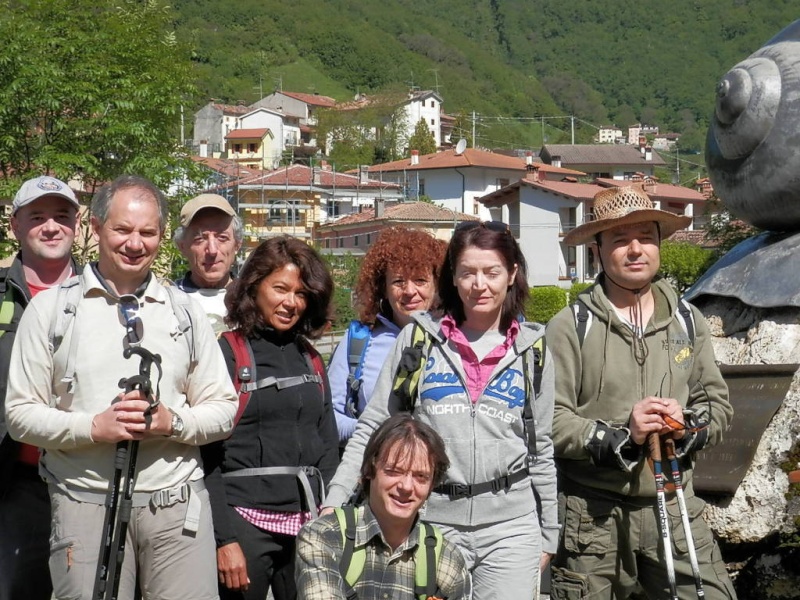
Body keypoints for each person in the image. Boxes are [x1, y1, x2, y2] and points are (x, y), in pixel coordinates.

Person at [5, 175, 238, 600]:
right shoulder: (52, 310)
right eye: (123, 230)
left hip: (176, 507)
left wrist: (173, 421)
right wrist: (94, 427)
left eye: (148, 233)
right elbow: (20, 415)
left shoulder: (184, 313)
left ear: (162, 237)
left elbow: (223, 408)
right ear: (95, 229)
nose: (135, 243)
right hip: (84, 504)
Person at [325, 220, 559, 599]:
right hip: (431, 522)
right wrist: (335, 500)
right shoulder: (418, 339)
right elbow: (372, 427)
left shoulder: (534, 350)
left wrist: (549, 531)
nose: (479, 284)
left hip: (512, 529)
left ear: (512, 273)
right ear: (452, 276)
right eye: (467, 272)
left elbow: (541, 446)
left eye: (491, 272)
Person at [545, 186, 736, 599]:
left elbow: (716, 406)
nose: (635, 250)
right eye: (619, 239)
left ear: (659, 243)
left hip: (674, 502)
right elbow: (551, 420)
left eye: (646, 237)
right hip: (592, 522)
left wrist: (687, 426)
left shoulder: (688, 319)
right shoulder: (569, 326)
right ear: (597, 250)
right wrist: (621, 436)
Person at [202, 235, 339, 600]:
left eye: (301, 293)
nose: (290, 302)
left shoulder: (310, 356)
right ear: (254, 286)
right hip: (244, 523)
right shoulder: (227, 354)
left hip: (307, 525)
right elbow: (207, 458)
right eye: (280, 288)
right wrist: (225, 540)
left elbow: (327, 444)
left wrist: (327, 519)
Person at [0, 175, 81, 600]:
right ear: (14, 225)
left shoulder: (105, 296)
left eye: (61, 215)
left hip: (86, 479)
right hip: (14, 482)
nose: (51, 226)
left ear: (78, 224)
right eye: (37, 217)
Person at [296, 414, 470, 600]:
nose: (406, 486)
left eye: (420, 476)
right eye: (394, 472)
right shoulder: (322, 536)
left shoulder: (447, 561)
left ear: (431, 485)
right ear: (370, 471)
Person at [327, 226, 447, 444]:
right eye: (398, 281)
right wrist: (378, 433)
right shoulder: (358, 340)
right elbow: (328, 418)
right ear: (383, 288)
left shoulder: (454, 339)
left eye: (420, 280)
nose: (410, 291)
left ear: (436, 285)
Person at [173, 192, 243, 333]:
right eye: (200, 239)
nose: (212, 250)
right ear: (182, 246)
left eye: (222, 238)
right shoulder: (169, 302)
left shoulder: (252, 300)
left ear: (237, 245)